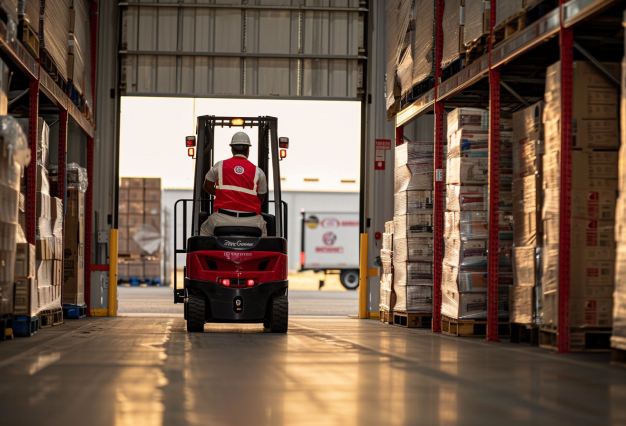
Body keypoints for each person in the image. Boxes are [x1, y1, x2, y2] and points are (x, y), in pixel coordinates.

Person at [200, 131, 268, 236]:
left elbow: (207, 186)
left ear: (232, 149)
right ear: (248, 150)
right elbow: (260, 199)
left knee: (204, 231)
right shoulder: (259, 172)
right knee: (264, 236)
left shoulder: (219, 166)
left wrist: (223, 194)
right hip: (252, 221)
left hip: (222, 219)